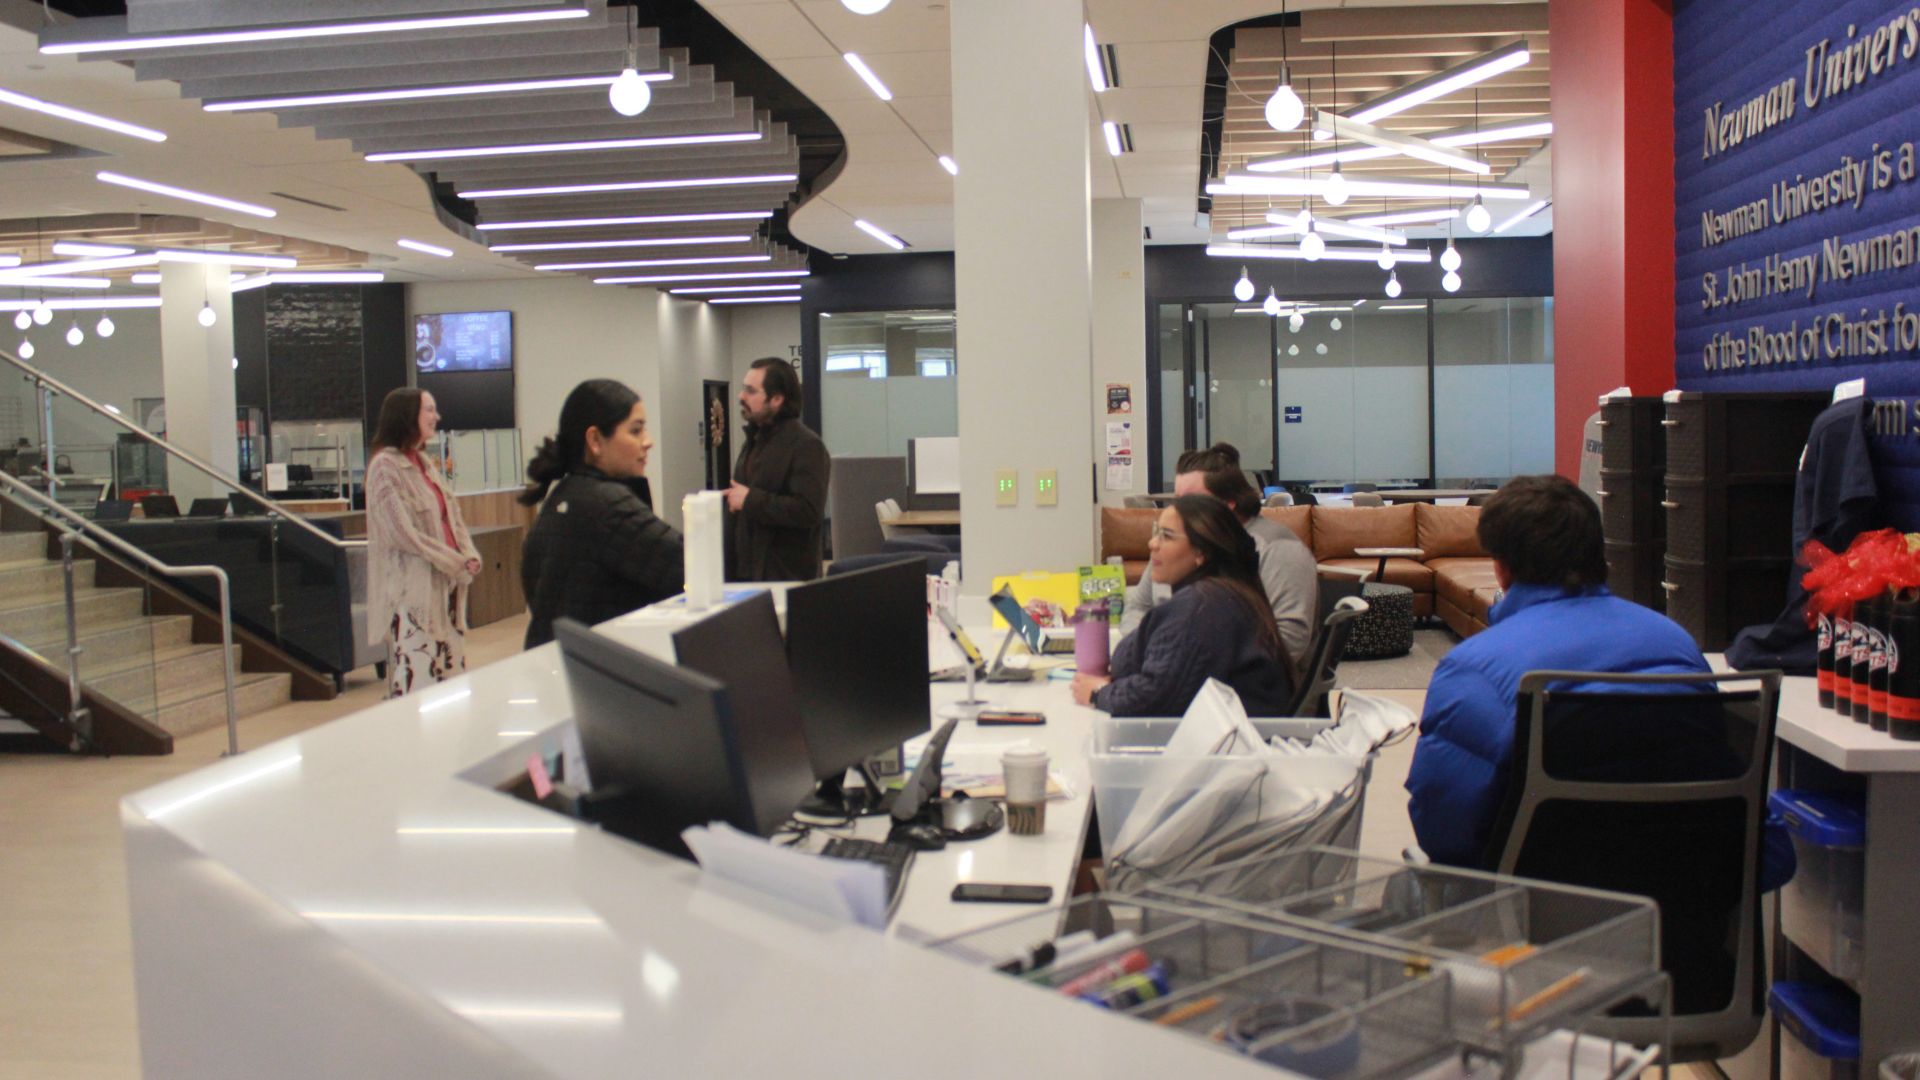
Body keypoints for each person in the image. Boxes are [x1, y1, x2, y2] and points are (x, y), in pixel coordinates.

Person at [1405, 475, 1792, 874]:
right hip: (1686, 903)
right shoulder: (1676, 645)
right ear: (1597, 555)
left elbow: (1441, 831)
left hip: (1538, 905)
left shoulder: (1473, 668)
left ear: (1501, 570)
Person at [1073, 494, 1295, 717]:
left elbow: (1155, 699)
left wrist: (1099, 693)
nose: (1152, 543)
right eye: (1156, 532)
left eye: (1167, 536)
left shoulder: (1201, 607)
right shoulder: (1218, 595)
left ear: (1201, 552)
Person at [520, 380, 685, 649]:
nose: (648, 442)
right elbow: (689, 569)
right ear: (595, 440)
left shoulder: (561, 497)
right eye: (636, 430)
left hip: (560, 660)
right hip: (600, 664)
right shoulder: (610, 506)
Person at [1122, 443, 1317, 659]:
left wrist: (1185, 657)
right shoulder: (1176, 543)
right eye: (1178, 501)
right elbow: (1138, 606)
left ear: (1228, 504)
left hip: (1242, 674)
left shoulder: (1278, 549)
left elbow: (1290, 640)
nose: (1180, 510)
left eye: (1192, 500)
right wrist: (1141, 651)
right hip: (1171, 664)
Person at [365, 388, 481, 697]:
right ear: (406, 415)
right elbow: (403, 534)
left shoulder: (424, 463)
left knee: (452, 682)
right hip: (413, 592)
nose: (436, 416)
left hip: (446, 589)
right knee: (420, 684)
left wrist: (468, 553)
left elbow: (452, 515)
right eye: (429, 409)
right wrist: (452, 560)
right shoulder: (384, 468)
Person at [726, 357, 829, 581]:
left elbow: (808, 510)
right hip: (748, 575)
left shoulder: (806, 445)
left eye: (750, 391)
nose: (741, 396)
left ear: (776, 399)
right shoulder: (753, 441)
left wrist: (749, 500)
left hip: (786, 578)